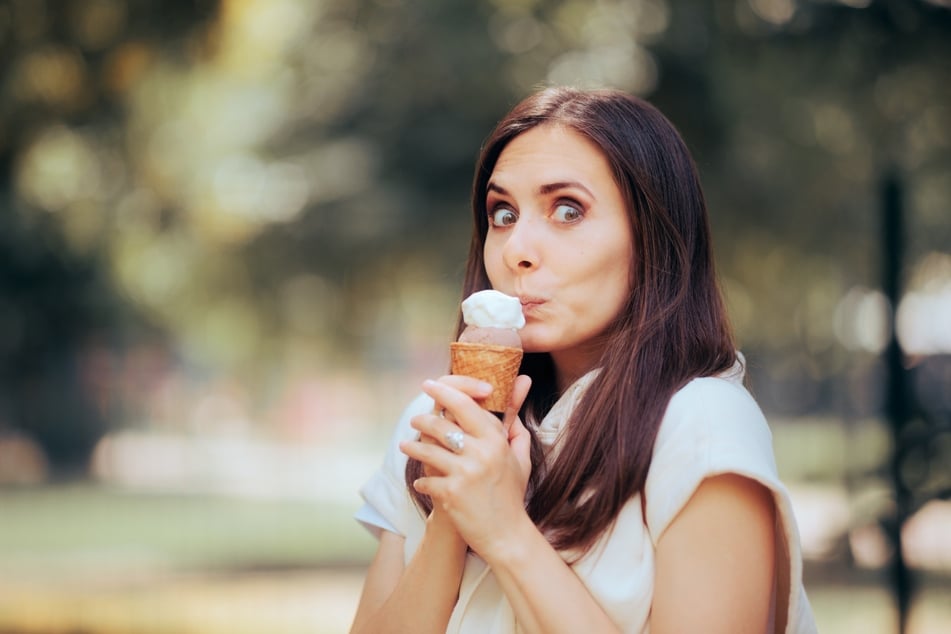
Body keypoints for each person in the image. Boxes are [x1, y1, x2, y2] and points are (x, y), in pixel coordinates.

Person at [350, 86, 817, 634]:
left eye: (567, 210)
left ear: (652, 235)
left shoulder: (701, 426)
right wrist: (452, 519)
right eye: (502, 213)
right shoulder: (435, 427)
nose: (515, 248)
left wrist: (503, 529)